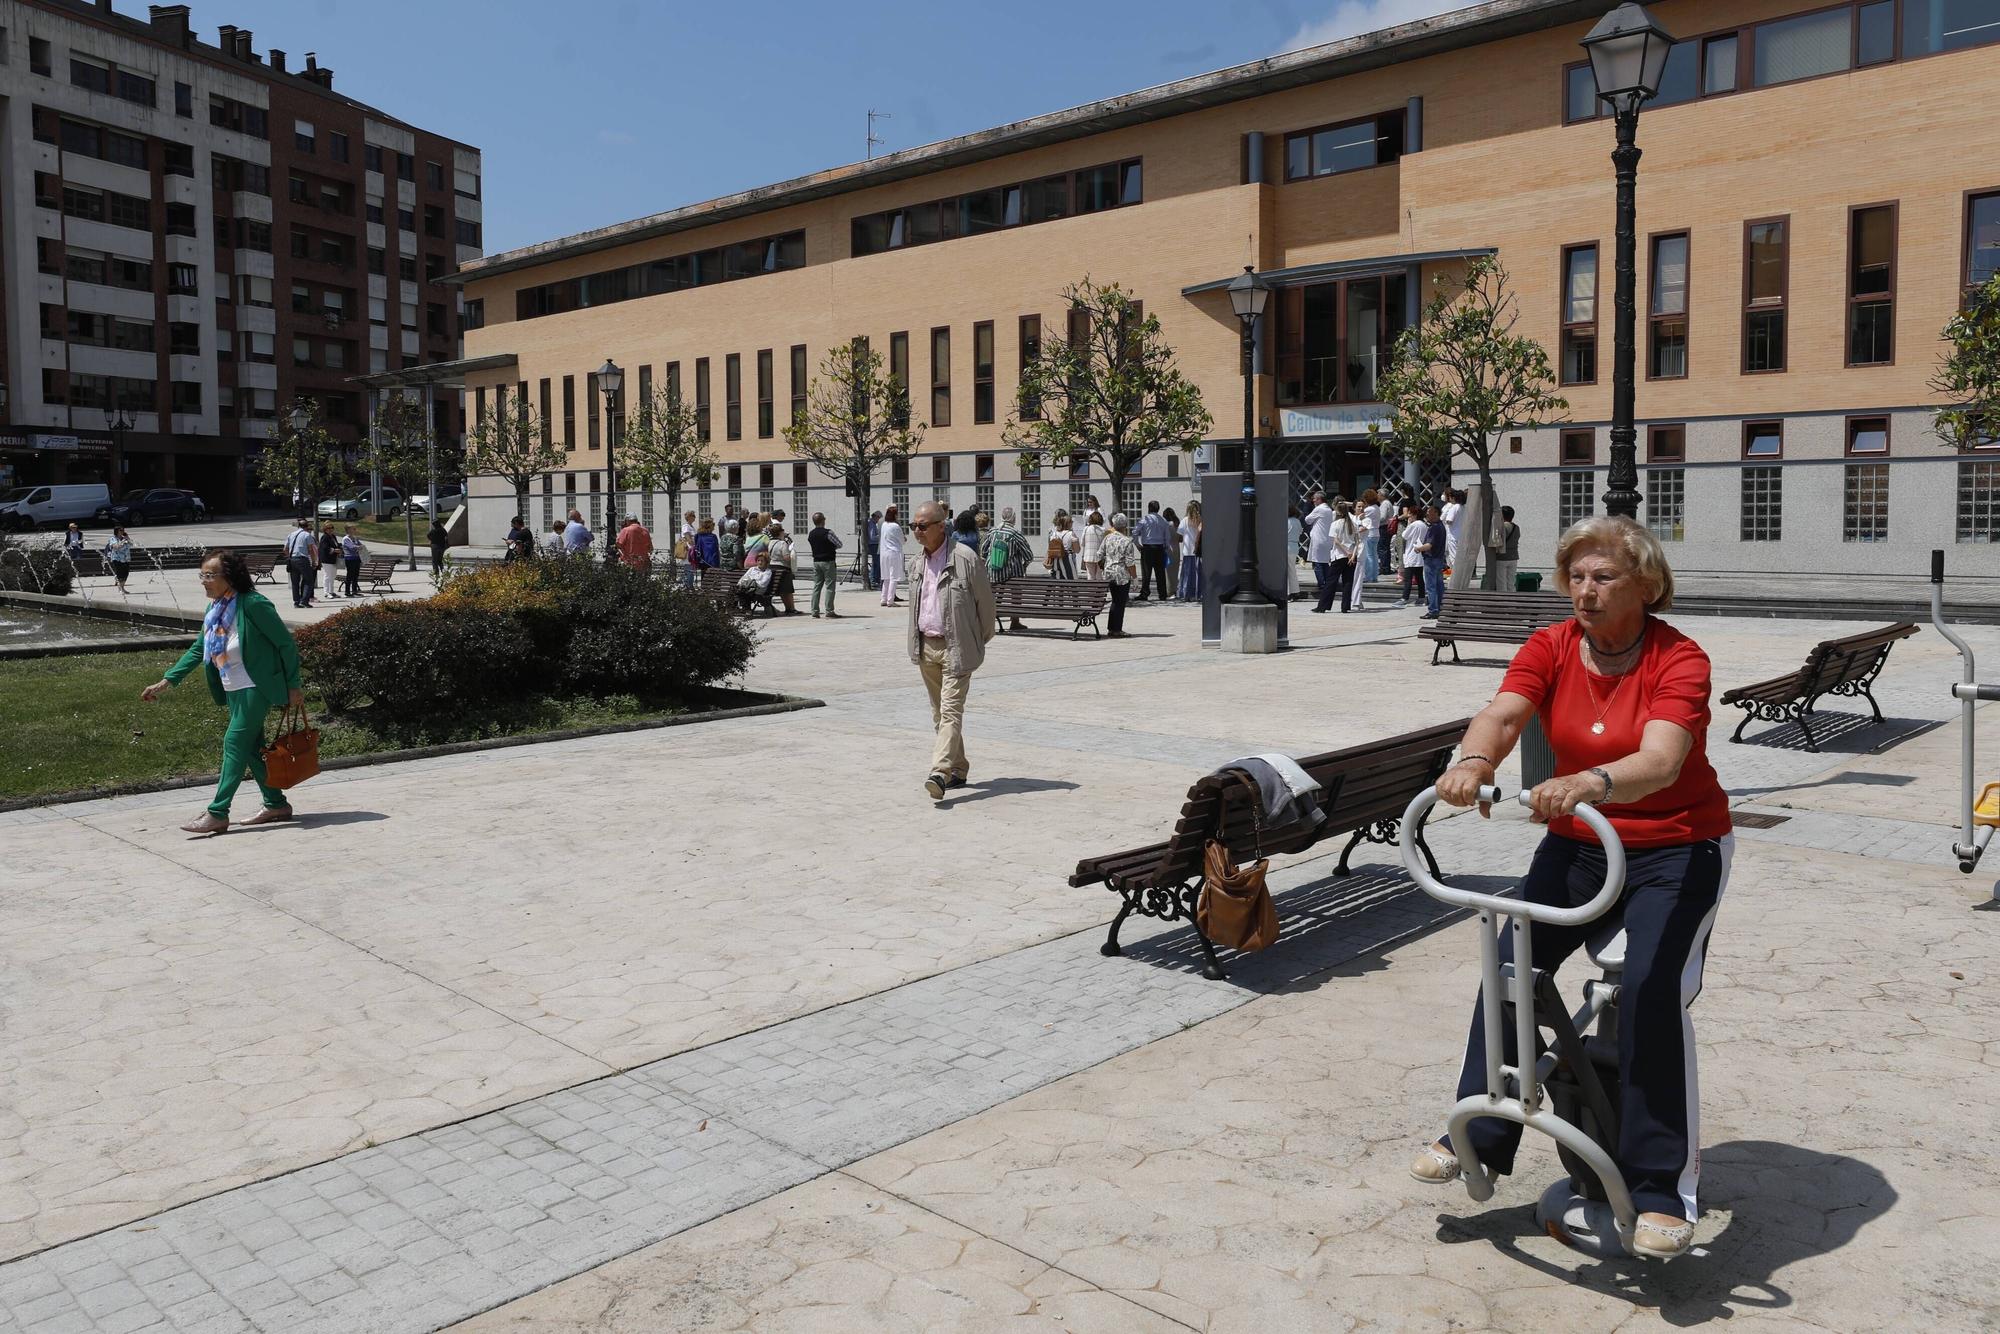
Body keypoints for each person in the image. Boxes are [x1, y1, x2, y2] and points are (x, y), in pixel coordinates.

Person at [1410, 516, 1730, 1261]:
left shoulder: (1678, 658)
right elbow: (1504, 712)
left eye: (1604, 577)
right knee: (1511, 962)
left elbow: (1663, 759)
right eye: (1576, 577)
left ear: (1645, 586)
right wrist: (1472, 761)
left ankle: (1659, 1192)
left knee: (1651, 989)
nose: (1585, 591)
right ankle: (1481, 1135)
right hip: (1583, 844)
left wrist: (1592, 779)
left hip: (1676, 846)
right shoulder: (1552, 645)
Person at [140, 550, 305, 836]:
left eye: (209, 575)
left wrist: (293, 685)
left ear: (230, 576)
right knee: (252, 748)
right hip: (233, 686)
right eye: (201, 575)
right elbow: (198, 649)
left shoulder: (253, 604)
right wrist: (168, 680)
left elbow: (285, 645)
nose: (204, 581)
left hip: (258, 686)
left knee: (234, 741)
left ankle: (218, 812)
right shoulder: (215, 608)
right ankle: (276, 804)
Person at [905, 501, 996, 800]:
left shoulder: (966, 558)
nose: (916, 531)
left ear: (940, 527)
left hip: (957, 648)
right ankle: (958, 768)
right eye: (913, 526)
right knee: (938, 713)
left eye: (922, 526)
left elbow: (986, 606)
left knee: (950, 712)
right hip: (926, 646)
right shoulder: (917, 562)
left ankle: (939, 772)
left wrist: (974, 641)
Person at [1099, 512, 1140, 638]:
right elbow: (1130, 562)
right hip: (1121, 575)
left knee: (1115, 601)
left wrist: (1105, 565)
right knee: (1120, 602)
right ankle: (1116, 629)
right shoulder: (1127, 541)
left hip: (1109, 572)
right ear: (1125, 525)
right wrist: (1135, 578)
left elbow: (1099, 554)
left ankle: (1112, 628)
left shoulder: (1107, 538)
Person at [1322, 499, 1360, 615]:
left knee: (1331, 581)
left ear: (1338, 512)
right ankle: (1345, 607)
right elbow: (1358, 541)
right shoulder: (1353, 524)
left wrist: (1346, 552)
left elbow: (1336, 541)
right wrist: (1352, 555)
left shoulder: (1335, 524)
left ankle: (1323, 606)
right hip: (1351, 556)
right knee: (1348, 582)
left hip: (1339, 556)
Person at [1412, 502, 1447, 618]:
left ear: (1436, 513)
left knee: (1431, 586)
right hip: (1438, 559)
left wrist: (1418, 548)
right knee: (1439, 585)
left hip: (1431, 559)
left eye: (1429, 513)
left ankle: (1433, 610)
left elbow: (1429, 545)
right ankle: (1440, 607)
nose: (1427, 516)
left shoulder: (1434, 528)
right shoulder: (1441, 526)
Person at [1305, 491, 1338, 612]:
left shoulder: (1319, 509)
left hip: (1318, 539)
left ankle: (1322, 584)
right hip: (1326, 539)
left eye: (1314, 499)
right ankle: (1327, 582)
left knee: (1317, 563)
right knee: (1324, 562)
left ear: (1319, 499)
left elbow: (1308, 520)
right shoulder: (1329, 509)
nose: (1313, 501)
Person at [807, 511, 843, 618]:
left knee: (817, 586)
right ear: (823, 520)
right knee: (830, 586)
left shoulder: (811, 533)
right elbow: (839, 544)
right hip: (828, 561)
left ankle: (814, 611)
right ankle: (829, 610)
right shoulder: (828, 532)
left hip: (816, 562)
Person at [1134, 501, 1171, 602]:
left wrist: (1137, 545)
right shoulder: (1163, 520)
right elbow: (1167, 536)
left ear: (1149, 508)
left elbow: (1135, 532)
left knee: (1146, 572)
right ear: (1158, 509)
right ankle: (1162, 594)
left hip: (1147, 548)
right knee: (1160, 572)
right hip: (1159, 548)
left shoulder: (1145, 519)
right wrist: (1166, 547)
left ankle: (1145, 593)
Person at [766, 522, 800, 614]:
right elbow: (786, 557)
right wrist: (791, 554)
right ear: (780, 532)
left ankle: (788, 608)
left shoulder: (770, 542)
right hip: (783, 568)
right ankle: (791, 608)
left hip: (772, 567)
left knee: (782, 590)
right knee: (788, 590)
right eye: (782, 530)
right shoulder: (782, 543)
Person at [1398, 503, 1427, 607]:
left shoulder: (1414, 525)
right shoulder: (1424, 525)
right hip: (1419, 554)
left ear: (1415, 514)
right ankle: (1421, 597)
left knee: (1408, 578)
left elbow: (1404, 535)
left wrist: (1409, 524)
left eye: (1410, 514)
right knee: (1419, 578)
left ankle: (1404, 598)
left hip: (1411, 553)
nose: (1409, 516)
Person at [285, 519, 317, 608]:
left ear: (298, 526)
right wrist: (314, 561)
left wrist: (289, 557)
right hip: (302, 559)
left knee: (295, 582)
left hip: (292, 559)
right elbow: (310, 549)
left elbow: (285, 549)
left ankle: (296, 602)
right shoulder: (307, 535)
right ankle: (304, 601)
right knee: (309, 580)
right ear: (307, 527)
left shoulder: (291, 534)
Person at [735, 550, 777, 615]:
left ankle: (746, 610)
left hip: (758, 590)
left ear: (766, 562)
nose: (760, 562)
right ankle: (734, 609)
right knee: (735, 590)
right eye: (758, 560)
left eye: (762, 561)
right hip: (748, 588)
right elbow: (744, 578)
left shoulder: (767, 572)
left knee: (745, 592)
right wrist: (741, 584)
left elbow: (763, 584)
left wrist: (752, 582)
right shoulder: (752, 569)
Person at [878, 504, 905, 605]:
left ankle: (883, 598)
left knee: (886, 577)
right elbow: (902, 540)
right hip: (894, 552)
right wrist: (904, 539)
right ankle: (890, 600)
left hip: (884, 553)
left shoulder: (884, 524)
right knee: (894, 576)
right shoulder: (895, 526)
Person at [1178, 502, 1203, 602]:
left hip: (1188, 551)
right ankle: (1198, 594)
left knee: (1187, 574)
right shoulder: (1201, 520)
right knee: (1198, 574)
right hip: (1199, 550)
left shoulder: (1185, 520)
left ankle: (1186, 594)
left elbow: (1179, 534)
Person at [1359, 488, 1384, 585]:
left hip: (1369, 533)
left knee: (1369, 556)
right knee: (1374, 555)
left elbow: (1360, 517)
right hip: (1376, 533)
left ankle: (1369, 576)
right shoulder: (1376, 507)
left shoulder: (1369, 509)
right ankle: (1374, 576)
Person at [1495, 505, 1521, 592]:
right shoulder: (1516, 527)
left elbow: (1497, 542)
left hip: (1502, 557)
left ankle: (1503, 603)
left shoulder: (1502, 527)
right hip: (1514, 557)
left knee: (1501, 582)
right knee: (1511, 582)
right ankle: (1512, 602)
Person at [1440, 488, 1464, 574]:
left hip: (1452, 535)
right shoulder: (1463, 507)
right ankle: (1458, 573)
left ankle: (1455, 575)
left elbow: (1449, 520)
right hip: (1461, 534)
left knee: (1453, 556)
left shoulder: (1454, 508)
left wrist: (1444, 520)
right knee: (1459, 556)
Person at [104, 527, 133, 594]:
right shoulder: (113, 538)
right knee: (120, 573)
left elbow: (131, 545)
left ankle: (122, 587)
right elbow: (116, 547)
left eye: (123, 530)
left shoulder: (125, 538)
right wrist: (123, 541)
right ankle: (120, 588)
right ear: (116, 531)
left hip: (126, 558)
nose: (122, 531)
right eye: (121, 530)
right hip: (117, 558)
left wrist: (127, 538)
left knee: (126, 573)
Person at [318, 521, 342, 601]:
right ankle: (326, 592)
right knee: (328, 575)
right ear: (325, 529)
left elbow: (337, 545)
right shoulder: (325, 537)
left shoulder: (333, 536)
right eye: (328, 528)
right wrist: (334, 550)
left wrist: (339, 548)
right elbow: (324, 548)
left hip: (333, 559)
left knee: (333, 575)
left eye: (332, 528)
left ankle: (331, 591)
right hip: (326, 559)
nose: (330, 529)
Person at [1081, 510, 1106, 579]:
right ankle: (1099, 589)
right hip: (1100, 556)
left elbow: (1082, 543)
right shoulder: (1103, 530)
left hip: (1088, 555)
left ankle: (1091, 589)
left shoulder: (1086, 529)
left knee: (1090, 575)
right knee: (1099, 575)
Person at [1162, 506, 1182, 596]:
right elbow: (1181, 538)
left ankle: (1168, 591)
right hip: (1176, 550)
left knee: (1167, 573)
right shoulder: (1177, 524)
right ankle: (1174, 590)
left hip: (1167, 549)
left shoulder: (1165, 524)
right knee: (1175, 571)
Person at [342, 526, 366, 596]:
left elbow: (361, 545)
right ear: (348, 530)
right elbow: (351, 547)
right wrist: (359, 547)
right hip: (349, 559)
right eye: (353, 529)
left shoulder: (355, 538)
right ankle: (347, 591)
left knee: (356, 575)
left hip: (356, 558)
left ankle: (354, 591)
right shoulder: (346, 539)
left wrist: (359, 547)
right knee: (350, 575)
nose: (355, 530)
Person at [866, 510, 883, 589]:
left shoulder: (872, 523)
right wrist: (881, 536)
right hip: (873, 545)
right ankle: (873, 580)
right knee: (877, 563)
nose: (878, 520)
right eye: (879, 518)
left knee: (875, 562)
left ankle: (874, 579)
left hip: (873, 545)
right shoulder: (871, 524)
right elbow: (872, 537)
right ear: (876, 517)